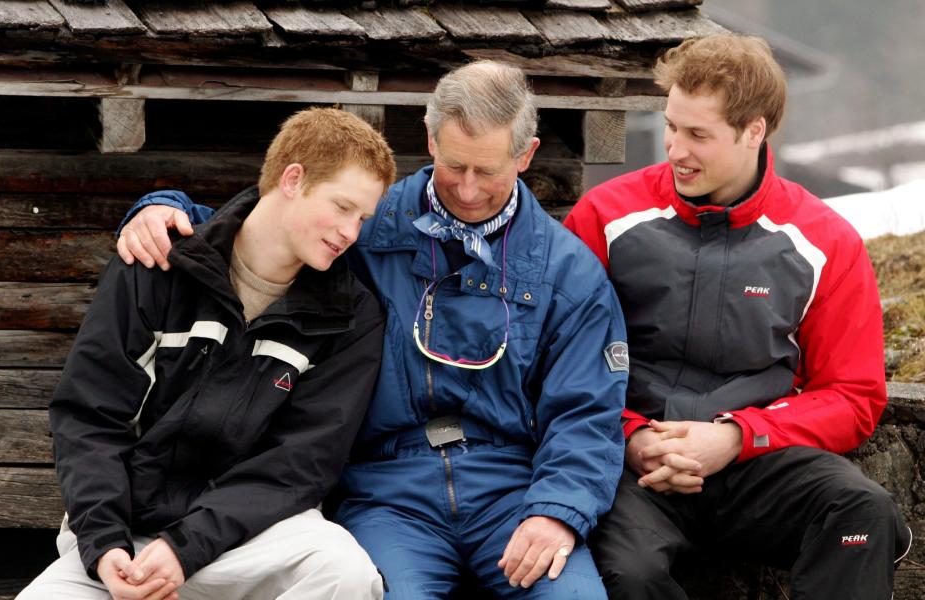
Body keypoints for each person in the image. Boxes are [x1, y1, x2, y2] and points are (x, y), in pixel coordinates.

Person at [115, 61, 628, 599]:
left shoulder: (569, 273)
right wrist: (163, 207)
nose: (470, 191)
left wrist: (556, 511)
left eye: (489, 170)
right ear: (429, 137)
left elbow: (587, 410)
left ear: (526, 155)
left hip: (514, 490)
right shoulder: (366, 223)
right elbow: (264, 226)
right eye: (455, 166)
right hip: (387, 492)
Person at [564, 33, 913, 599]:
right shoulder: (605, 216)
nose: (674, 149)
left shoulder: (825, 242)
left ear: (755, 131)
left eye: (698, 135)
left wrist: (736, 436)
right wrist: (631, 437)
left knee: (862, 513)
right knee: (627, 574)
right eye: (672, 126)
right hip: (631, 465)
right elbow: (557, 360)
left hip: (758, 461)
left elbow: (853, 395)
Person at [19, 107, 396, 600]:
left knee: (344, 573)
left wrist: (187, 547)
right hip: (124, 531)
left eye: (363, 218)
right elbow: (90, 417)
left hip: (249, 539)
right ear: (293, 178)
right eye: (343, 207)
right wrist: (105, 546)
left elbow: (301, 462)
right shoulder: (156, 266)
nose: (351, 233)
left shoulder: (350, 317)